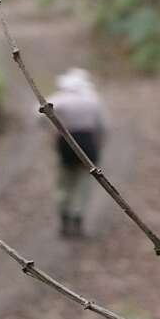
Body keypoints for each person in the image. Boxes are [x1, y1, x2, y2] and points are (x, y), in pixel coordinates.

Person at [43, 68, 108, 238]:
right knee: (83, 182)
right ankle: (78, 216)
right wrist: (100, 143)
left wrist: (51, 129)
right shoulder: (92, 101)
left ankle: (64, 216)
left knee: (64, 181)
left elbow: (38, 113)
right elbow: (102, 126)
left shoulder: (60, 100)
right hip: (88, 144)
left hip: (66, 142)